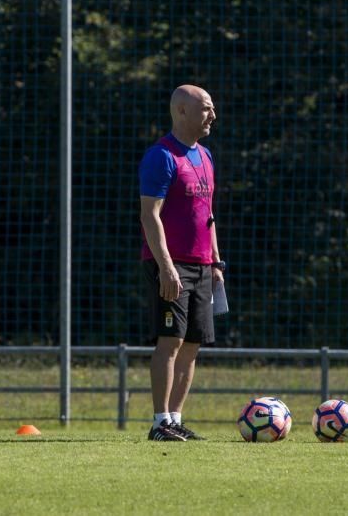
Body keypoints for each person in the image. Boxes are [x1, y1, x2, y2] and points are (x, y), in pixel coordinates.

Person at [139, 84, 225, 442]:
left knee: (193, 344)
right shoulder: (161, 156)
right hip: (172, 265)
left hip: (203, 265)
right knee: (170, 341)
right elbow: (150, 216)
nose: (213, 115)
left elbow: (208, 215)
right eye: (206, 107)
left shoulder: (204, 156)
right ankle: (160, 422)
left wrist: (217, 263)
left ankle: (175, 419)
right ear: (182, 111)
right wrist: (167, 266)